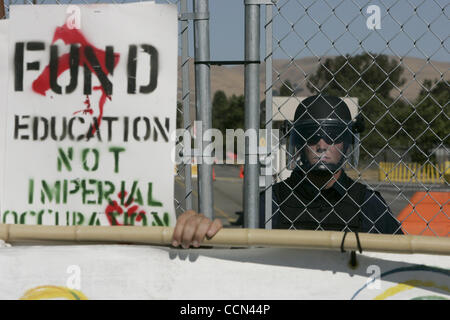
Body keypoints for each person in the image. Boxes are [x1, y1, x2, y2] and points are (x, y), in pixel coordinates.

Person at [259, 94, 403, 234]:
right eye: (311, 135)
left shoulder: (368, 204)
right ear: (300, 144)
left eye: (333, 136)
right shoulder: (271, 201)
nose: (322, 145)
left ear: (346, 144)